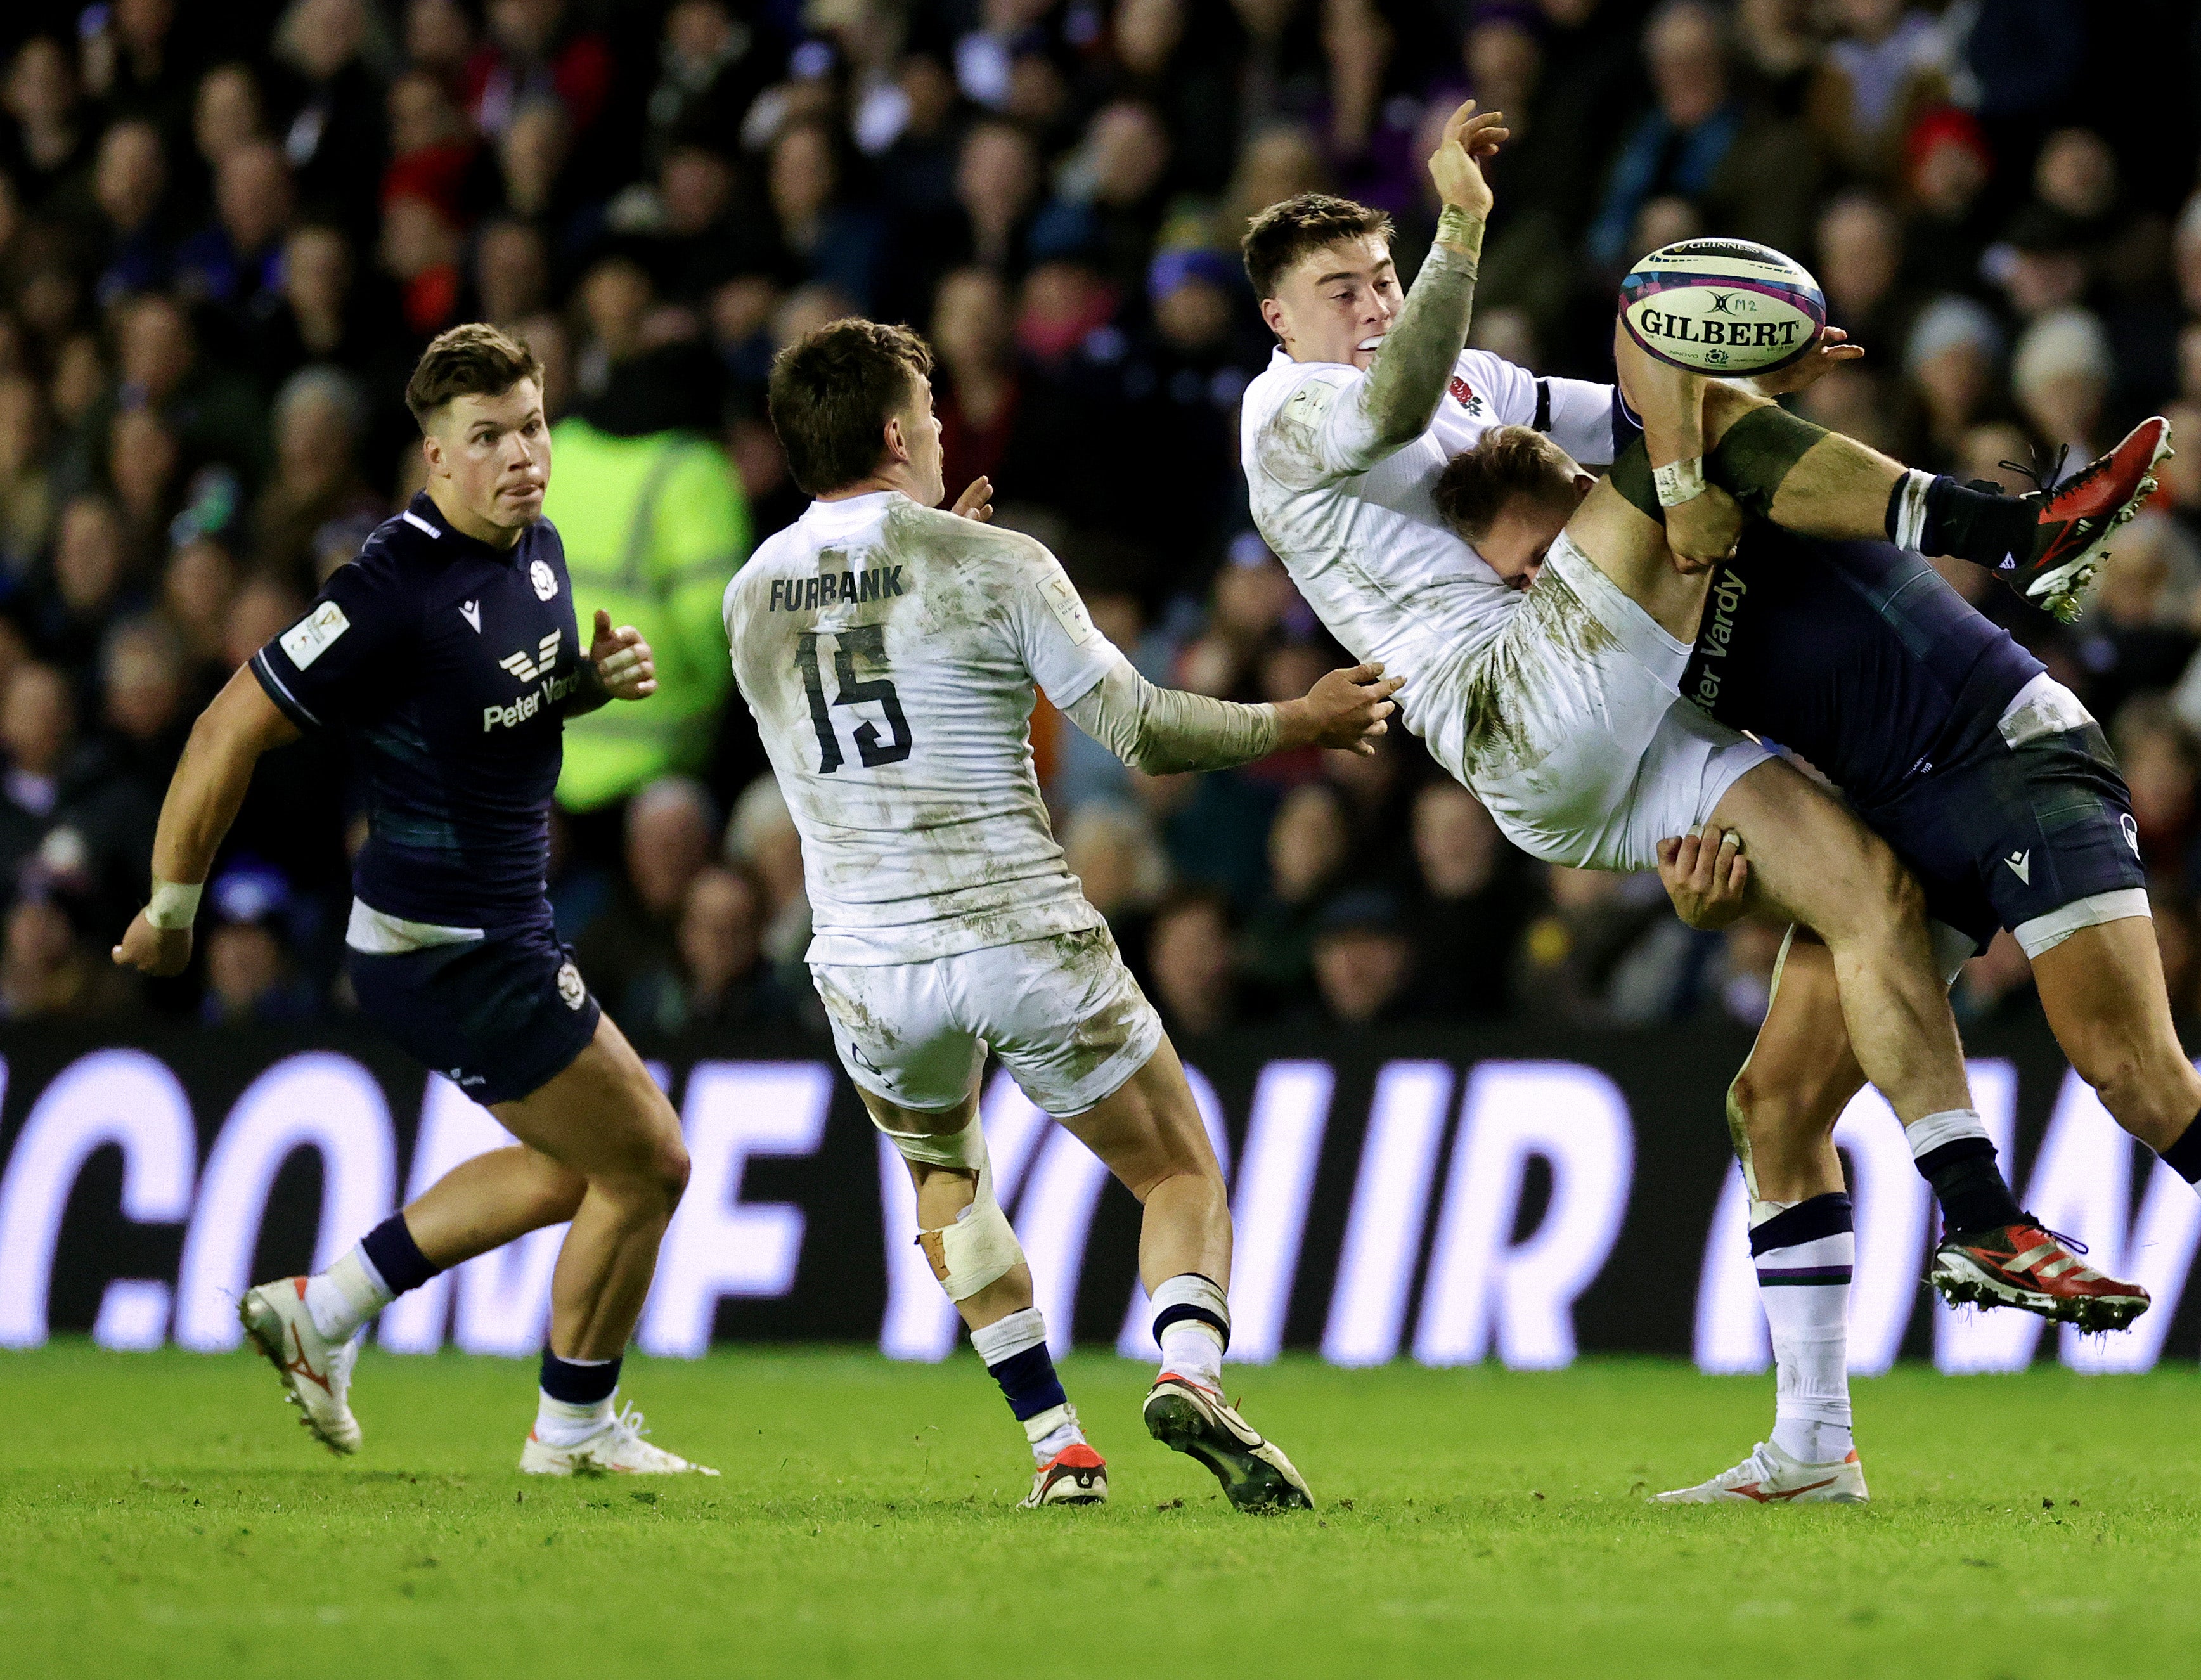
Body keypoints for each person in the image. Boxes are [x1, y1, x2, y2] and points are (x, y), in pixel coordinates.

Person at [1235, 105, 2176, 1421]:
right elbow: (1418, 400)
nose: (1373, 305)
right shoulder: (1288, 411)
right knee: (1655, 341)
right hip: (1516, 702)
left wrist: (1752, 373)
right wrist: (1465, 226)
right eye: (1339, 292)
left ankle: (1980, 1218)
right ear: (1280, 322)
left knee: (1874, 899)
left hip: (1623, 726)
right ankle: (2012, 528)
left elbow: (1642, 405)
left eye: (1383, 278)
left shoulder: (1470, 380)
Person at [1431, 421, 2201, 1511]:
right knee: (1773, 1108)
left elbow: (1706, 405)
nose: (1547, 591)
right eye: (1521, 581)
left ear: (1590, 495)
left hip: (2002, 750)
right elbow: (1764, 829)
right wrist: (1710, 898)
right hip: (1885, 821)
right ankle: (1813, 1447)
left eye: (1544, 554)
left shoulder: (1698, 499)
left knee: (2131, 1072)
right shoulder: (1615, 663)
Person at [725, 317, 1397, 1512]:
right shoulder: (1000, 564)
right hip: (1014, 930)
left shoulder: (749, 596)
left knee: (948, 1179)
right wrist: (1297, 721)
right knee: (1178, 1172)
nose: (939, 434)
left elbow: (871, 659)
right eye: (928, 417)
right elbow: (1138, 728)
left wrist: (950, 562)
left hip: (867, 961)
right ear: (894, 432)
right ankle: (1191, 1369)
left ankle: (1057, 1450)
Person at [112, 324, 708, 1477]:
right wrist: (172, 906)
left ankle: (321, 1311)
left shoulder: (540, 550)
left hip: (496, 925)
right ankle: (572, 1428)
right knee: (653, 1166)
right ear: (435, 460)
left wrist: (583, 684)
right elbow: (225, 726)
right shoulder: (387, 586)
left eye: (530, 427)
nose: (519, 456)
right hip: (447, 943)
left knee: (568, 1165)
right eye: (484, 439)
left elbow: (486, 712)